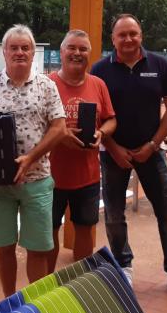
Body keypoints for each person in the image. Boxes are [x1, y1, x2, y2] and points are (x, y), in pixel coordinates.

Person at [91, 14, 167, 298]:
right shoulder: (100, 70)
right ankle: (123, 267)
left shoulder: (159, 65)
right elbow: (95, 116)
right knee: (114, 215)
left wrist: (152, 145)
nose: (128, 39)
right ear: (113, 39)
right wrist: (113, 148)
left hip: (152, 152)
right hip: (113, 154)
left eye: (133, 33)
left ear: (141, 35)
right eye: (122, 35)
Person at [0, 25, 65, 296]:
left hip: (37, 179)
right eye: (14, 48)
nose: (20, 52)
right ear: (4, 52)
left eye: (25, 48)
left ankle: (35, 306)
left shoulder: (47, 86)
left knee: (38, 249)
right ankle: (9, 301)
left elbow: (59, 127)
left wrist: (31, 158)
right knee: (4, 247)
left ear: (33, 53)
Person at [47, 29, 116, 272]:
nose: (77, 53)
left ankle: (80, 281)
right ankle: (49, 284)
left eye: (83, 49)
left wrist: (101, 133)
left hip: (87, 176)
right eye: (72, 48)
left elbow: (111, 119)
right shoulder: (46, 84)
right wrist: (61, 135)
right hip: (49, 177)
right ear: (61, 52)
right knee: (49, 232)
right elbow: (35, 125)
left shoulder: (98, 85)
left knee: (85, 230)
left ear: (89, 54)